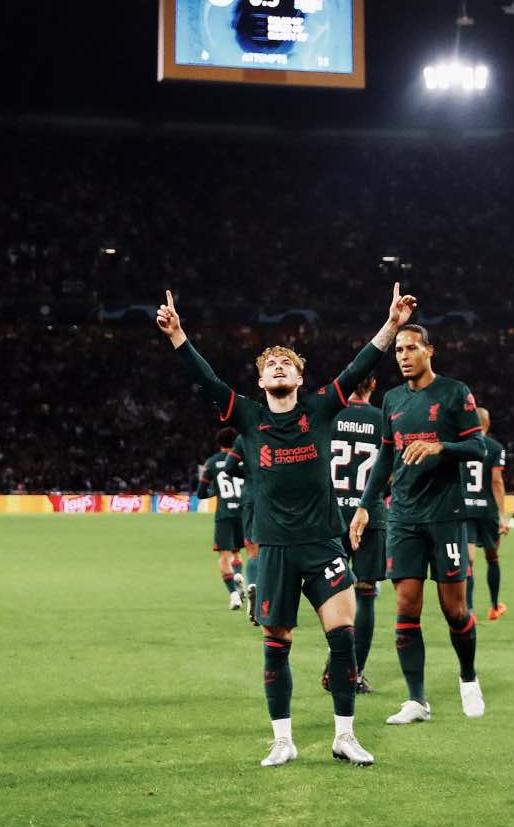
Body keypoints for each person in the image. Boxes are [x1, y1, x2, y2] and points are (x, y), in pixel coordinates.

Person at [157, 284, 417, 767]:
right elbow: (206, 379)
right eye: (270, 364)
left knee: (343, 637)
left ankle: (345, 735)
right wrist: (177, 336)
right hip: (275, 549)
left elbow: (358, 366)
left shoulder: (319, 409)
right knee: (277, 645)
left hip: (323, 544)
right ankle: (283, 740)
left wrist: (391, 325)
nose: (278, 367)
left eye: (286, 363)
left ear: (300, 376)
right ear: (260, 381)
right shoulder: (248, 416)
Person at [351, 324, 487, 724]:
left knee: (454, 610)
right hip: (403, 516)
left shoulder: (455, 392)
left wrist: (440, 446)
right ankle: (416, 700)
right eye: (398, 351)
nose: (403, 356)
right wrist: (364, 505)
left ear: (429, 350)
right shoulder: (392, 400)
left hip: (445, 516)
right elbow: (385, 458)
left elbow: (478, 447)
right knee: (406, 605)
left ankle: (468, 677)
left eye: (411, 348)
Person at [320, 375, 386, 694]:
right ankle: (352, 674)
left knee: (332, 594)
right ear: (373, 385)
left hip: (328, 517)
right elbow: (391, 470)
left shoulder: (328, 415)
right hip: (368, 514)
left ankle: (336, 663)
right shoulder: (384, 419)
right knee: (366, 593)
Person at [462, 407, 508, 621]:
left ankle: (469, 610)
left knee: (468, 561)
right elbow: (497, 481)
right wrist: (503, 515)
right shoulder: (495, 447)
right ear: (487, 424)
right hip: (487, 511)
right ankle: (494, 607)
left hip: (465, 509)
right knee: (492, 557)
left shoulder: (461, 446)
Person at [196, 426, 247, 610]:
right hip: (243, 512)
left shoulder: (212, 462)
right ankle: (238, 574)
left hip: (224, 515)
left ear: (219, 443)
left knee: (223, 556)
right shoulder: (244, 459)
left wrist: (215, 492)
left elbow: (201, 493)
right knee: (238, 552)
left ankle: (233, 595)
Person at [221, 434, 260, 621]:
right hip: (276, 498)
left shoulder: (245, 436)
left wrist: (249, 472)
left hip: (251, 497)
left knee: (253, 551)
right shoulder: (281, 429)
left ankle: (252, 585)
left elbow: (229, 467)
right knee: (274, 550)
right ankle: (271, 597)